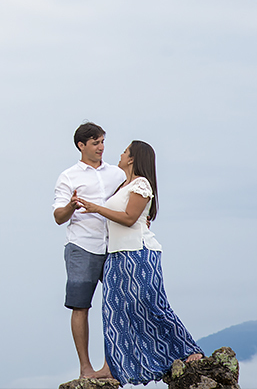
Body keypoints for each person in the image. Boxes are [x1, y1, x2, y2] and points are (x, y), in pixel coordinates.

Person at [75, 140, 202, 385]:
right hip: (116, 255)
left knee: (152, 304)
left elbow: (130, 218)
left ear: (132, 158)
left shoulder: (142, 183)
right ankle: (111, 367)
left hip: (139, 252)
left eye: (124, 152)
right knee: (115, 312)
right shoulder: (123, 184)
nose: (120, 154)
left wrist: (96, 208)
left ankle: (188, 350)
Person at [53, 122, 126, 380]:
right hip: (82, 246)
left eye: (102, 142)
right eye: (95, 143)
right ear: (81, 146)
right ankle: (85, 368)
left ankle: (109, 366)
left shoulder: (117, 174)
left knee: (116, 304)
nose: (101, 147)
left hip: (115, 246)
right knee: (80, 306)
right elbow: (58, 217)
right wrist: (72, 206)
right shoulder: (68, 176)